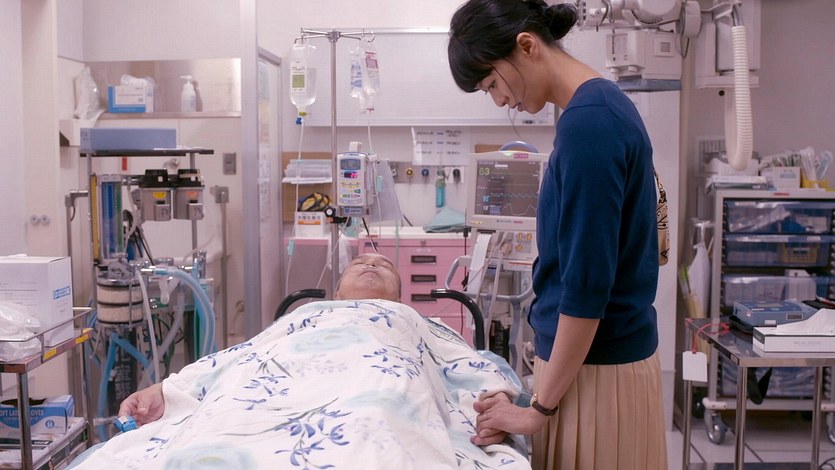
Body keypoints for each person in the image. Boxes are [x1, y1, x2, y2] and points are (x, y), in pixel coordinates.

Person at [448, 1, 667, 469]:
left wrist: (538, 410)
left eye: (492, 83)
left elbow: (586, 288)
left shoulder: (591, 125)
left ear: (526, 46)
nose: (499, 100)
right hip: (592, 368)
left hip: (599, 373)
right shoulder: (598, 109)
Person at [118, 252, 404, 425]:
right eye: (359, 263)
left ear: (400, 300)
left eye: (384, 266)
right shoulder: (309, 316)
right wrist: (166, 391)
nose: (370, 265)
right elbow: (240, 356)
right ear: (337, 293)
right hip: (285, 398)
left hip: (369, 397)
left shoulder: (411, 325)